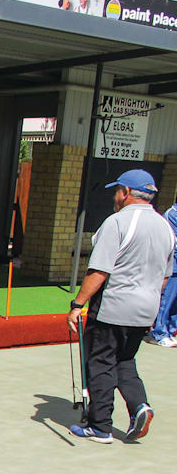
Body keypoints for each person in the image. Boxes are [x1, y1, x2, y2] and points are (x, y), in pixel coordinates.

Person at [68, 170, 174, 443]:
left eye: (117, 191)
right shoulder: (165, 227)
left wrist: (78, 303)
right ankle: (140, 405)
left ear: (126, 192)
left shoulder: (116, 222)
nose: (115, 197)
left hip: (113, 306)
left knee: (100, 362)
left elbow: (99, 271)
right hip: (145, 309)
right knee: (124, 359)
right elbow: (164, 277)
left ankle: (99, 426)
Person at [147, 200, 177, 347]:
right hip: (174, 267)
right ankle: (159, 333)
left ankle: (170, 331)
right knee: (166, 301)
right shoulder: (172, 215)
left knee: (175, 305)